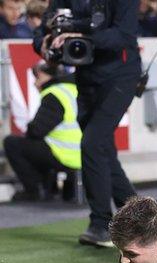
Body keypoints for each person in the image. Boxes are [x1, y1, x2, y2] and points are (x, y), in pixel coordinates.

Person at [33, 0, 142, 248]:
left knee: (93, 143)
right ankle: (141, 218)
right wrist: (47, 44)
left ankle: (101, 224)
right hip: (86, 75)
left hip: (121, 74)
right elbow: (41, 33)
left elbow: (122, 35)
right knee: (103, 151)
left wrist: (82, 35)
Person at [3, 62, 81, 202]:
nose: (34, 83)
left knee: (12, 143)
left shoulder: (54, 94)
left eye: (37, 77)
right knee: (38, 146)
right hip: (83, 153)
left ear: (46, 76)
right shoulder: (73, 89)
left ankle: (33, 190)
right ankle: (51, 188)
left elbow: (37, 131)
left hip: (65, 154)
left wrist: (29, 128)